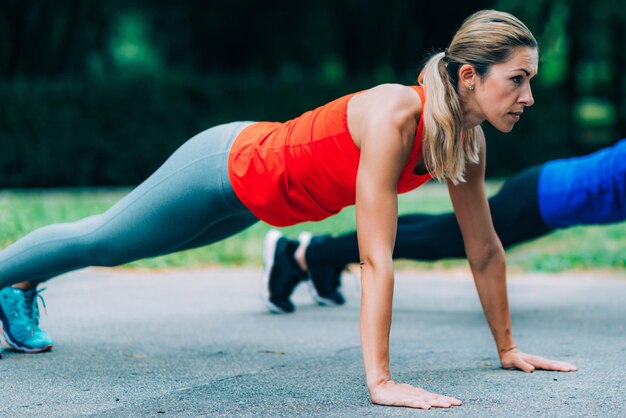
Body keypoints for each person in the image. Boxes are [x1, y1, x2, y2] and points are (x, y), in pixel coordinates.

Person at [0, 10, 576, 410]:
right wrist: (381, 381)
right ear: (470, 76)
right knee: (105, 241)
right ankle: (12, 276)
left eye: (531, 81)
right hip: (223, 167)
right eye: (517, 80)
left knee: (129, 247)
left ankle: (18, 284)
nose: (528, 96)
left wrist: (507, 349)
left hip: (256, 205)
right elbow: (375, 257)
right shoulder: (398, 115)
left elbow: (484, 249)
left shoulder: (466, 141)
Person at [269, 138, 626, 308]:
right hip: (541, 197)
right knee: (444, 239)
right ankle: (304, 255)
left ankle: (317, 253)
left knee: (440, 230)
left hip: (546, 195)